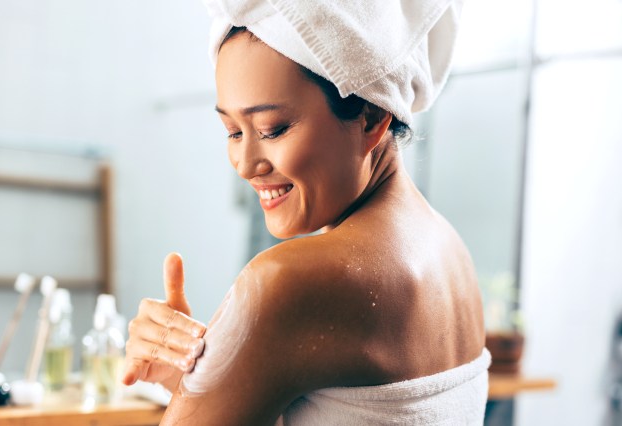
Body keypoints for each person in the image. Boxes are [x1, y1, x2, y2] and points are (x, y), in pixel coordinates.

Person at [123, 0, 490, 424]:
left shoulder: (287, 282)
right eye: (233, 131)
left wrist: (209, 387)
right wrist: (191, 381)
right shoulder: (449, 251)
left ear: (371, 117)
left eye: (272, 129)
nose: (245, 165)